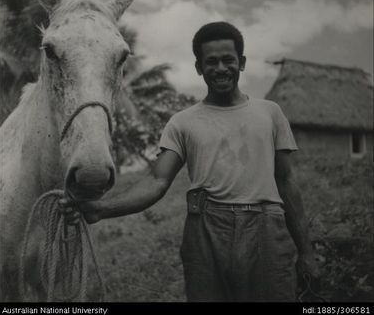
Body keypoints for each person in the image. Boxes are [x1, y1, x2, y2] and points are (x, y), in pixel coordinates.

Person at [60, 21, 319, 302]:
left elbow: (287, 181)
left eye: (228, 60)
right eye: (211, 62)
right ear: (199, 67)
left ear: (241, 62)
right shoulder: (182, 122)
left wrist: (306, 252)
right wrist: (101, 209)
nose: (220, 68)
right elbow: (157, 181)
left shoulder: (270, 113)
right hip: (206, 230)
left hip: (266, 230)